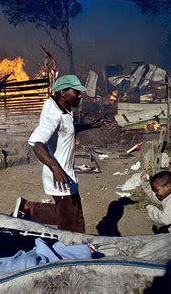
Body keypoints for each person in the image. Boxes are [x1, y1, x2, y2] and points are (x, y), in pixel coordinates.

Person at [12, 75, 104, 233]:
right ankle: (74, 251)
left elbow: (65, 128)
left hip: (65, 172)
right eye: (76, 92)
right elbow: (36, 143)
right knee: (73, 222)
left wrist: (89, 126)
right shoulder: (53, 115)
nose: (80, 96)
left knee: (68, 213)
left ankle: (28, 208)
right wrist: (55, 168)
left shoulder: (64, 109)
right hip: (60, 175)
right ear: (63, 93)